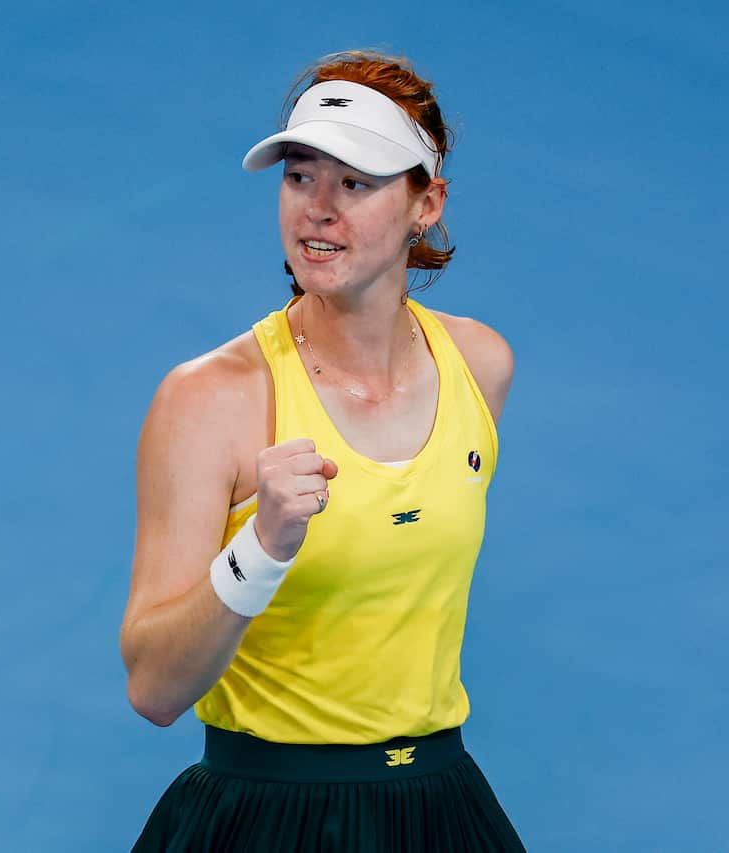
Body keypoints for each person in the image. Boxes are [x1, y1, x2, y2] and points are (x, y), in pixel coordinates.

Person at [120, 49, 524, 852]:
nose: (318, 209)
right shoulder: (209, 399)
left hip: (439, 809)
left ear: (425, 203)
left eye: (357, 182)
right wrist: (258, 551)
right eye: (301, 176)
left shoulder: (481, 366)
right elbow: (155, 688)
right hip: (263, 815)